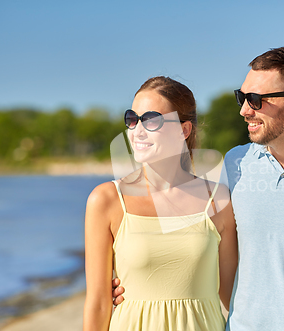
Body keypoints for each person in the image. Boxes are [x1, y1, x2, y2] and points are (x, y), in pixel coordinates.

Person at [114, 47, 284, 330]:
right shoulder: (236, 162)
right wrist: (130, 280)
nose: (245, 110)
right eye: (242, 98)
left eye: (256, 100)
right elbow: (203, 242)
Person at [83, 76, 238, 331]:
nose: (137, 130)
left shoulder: (219, 199)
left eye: (151, 120)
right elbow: (98, 304)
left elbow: (233, 296)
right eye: (132, 119)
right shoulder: (106, 200)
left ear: (183, 130)